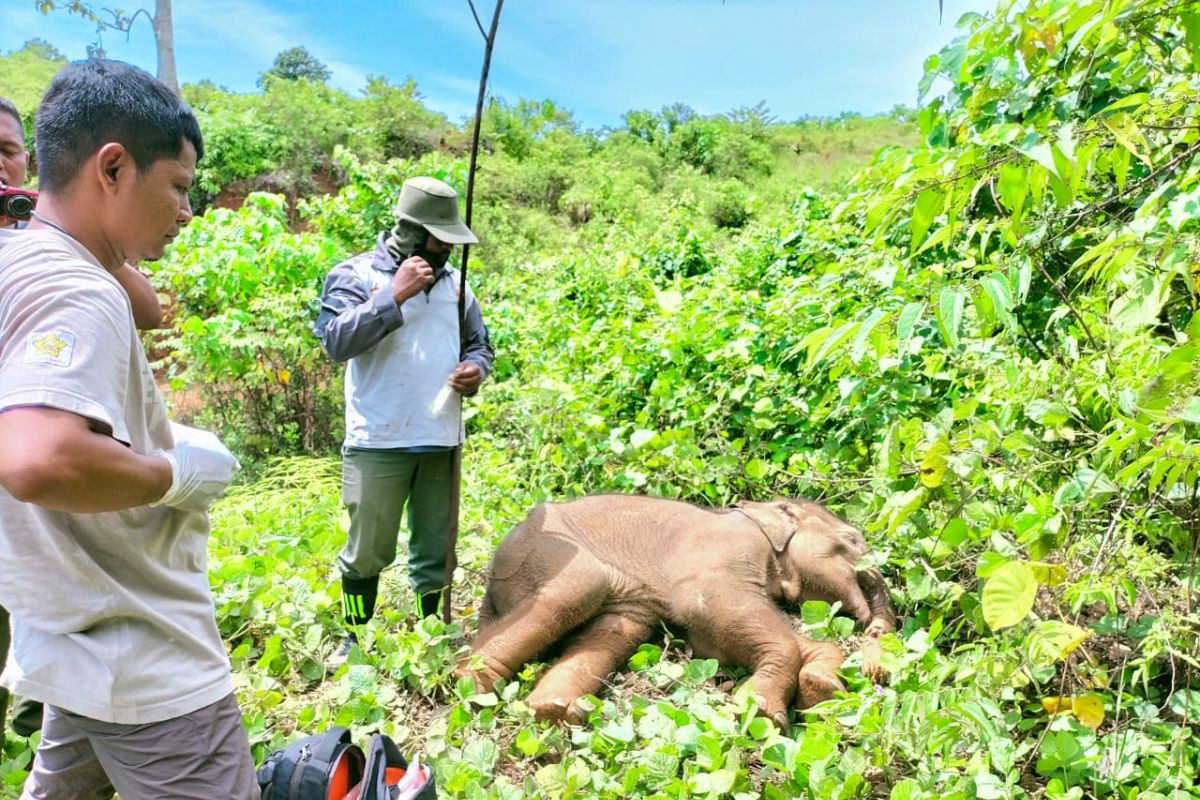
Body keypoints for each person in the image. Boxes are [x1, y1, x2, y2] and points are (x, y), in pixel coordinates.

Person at [0, 62, 256, 799]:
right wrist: (172, 474)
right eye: (178, 186)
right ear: (113, 166)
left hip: (67, 628)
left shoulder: (25, 256)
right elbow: (37, 456)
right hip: (143, 651)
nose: (186, 212)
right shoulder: (78, 288)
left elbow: (144, 307)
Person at [315, 176, 494, 667]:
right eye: (439, 239)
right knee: (368, 549)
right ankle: (355, 635)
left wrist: (475, 369)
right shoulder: (355, 275)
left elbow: (481, 344)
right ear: (412, 232)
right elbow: (334, 342)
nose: (446, 251)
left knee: (435, 548)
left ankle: (431, 634)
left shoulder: (458, 287)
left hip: (440, 438)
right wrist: (392, 296)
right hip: (379, 439)